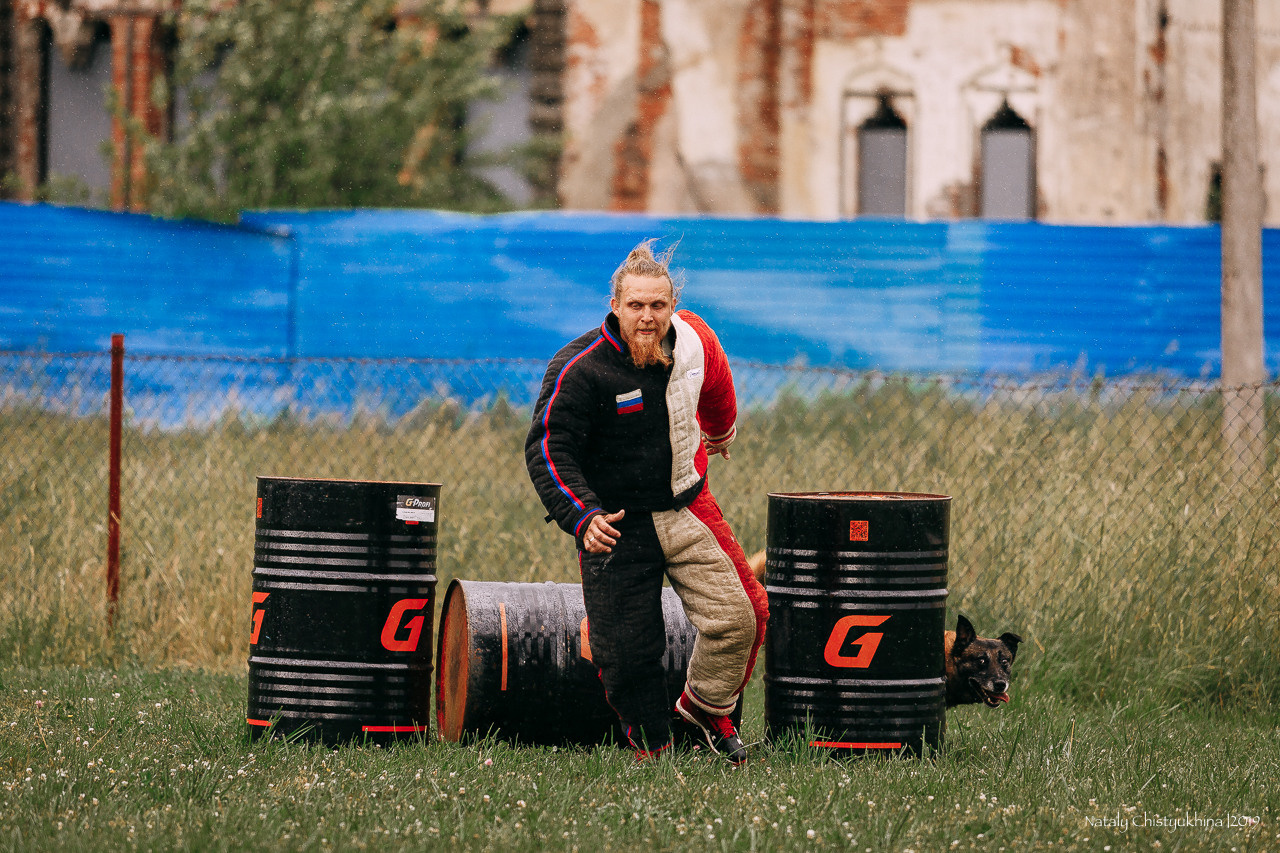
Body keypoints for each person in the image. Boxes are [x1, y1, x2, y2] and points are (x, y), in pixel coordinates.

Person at [525, 240, 769, 765]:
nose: (647, 317)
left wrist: (722, 430)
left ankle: (705, 707)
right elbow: (548, 447)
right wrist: (582, 515)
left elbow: (720, 380)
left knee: (744, 616)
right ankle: (652, 749)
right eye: (635, 305)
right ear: (615, 305)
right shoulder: (580, 368)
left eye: (658, 306)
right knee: (628, 653)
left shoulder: (694, 339)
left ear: (671, 306)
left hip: (686, 505)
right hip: (615, 523)